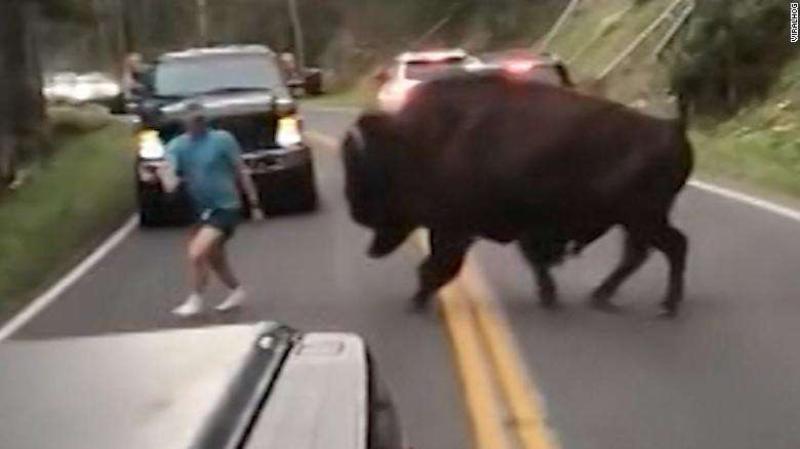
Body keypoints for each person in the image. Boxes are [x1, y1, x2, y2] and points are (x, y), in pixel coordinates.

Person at [159, 102, 263, 317]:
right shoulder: (177, 146)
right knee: (215, 257)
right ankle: (236, 290)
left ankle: (195, 299)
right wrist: (165, 177)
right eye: (193, 120)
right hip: (200, 209)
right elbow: (170, 175)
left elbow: (240, 171)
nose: (197, 123)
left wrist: (254, 204)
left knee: (197, 252)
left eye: (200, 119)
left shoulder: (222, 140)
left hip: (226, 206)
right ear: (185, 122)